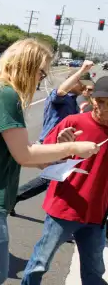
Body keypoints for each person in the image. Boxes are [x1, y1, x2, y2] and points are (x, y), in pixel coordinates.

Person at [0, 38, 99, 284]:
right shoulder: (5, 94)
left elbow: (21, 149)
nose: (41, 78)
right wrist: (73, 147)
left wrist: (52, 156)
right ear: (26, 66)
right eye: (40, 72)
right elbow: (24, 154)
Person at [20, 76, 108, 285]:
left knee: (94, 271)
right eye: (100, 101)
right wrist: (61, 145)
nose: (103, 109)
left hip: (96, 215)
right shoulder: (73, 123)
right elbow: (41, 158)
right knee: (39, 264)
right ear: (92, 98)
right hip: (64, 209)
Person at [14, 61, 95, 210]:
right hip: (49, 145)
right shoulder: (60, 98)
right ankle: (15, 197)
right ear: (74, 82)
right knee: (52, 178)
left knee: (56, 178)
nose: (85, 88)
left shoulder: (74, 101)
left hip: (61, 146)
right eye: (82, 83)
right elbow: (61, 91)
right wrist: (82, 70)